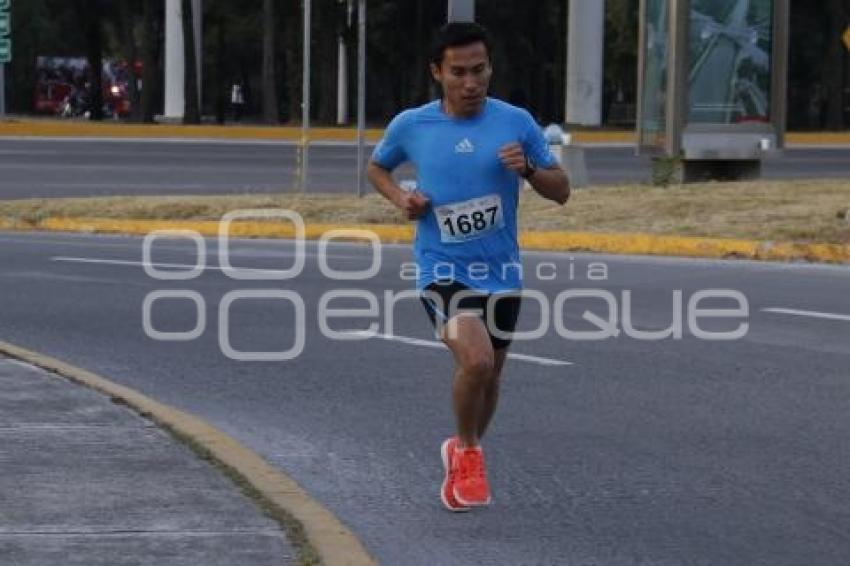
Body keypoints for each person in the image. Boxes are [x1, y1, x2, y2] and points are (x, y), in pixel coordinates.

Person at [367, 22, 570, 512]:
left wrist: (526, 169)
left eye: (479, 70)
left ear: (490, 68)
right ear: (437, 72)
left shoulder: (515, 122)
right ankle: (470, 452)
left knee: (492, 374)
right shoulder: (412, 126)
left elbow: (561, 190)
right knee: (475, 361)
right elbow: (378, 167)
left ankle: (462, 448)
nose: (471, 82)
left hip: (501, 271)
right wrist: (402, 198)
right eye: (458, 72)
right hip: (441, 268)